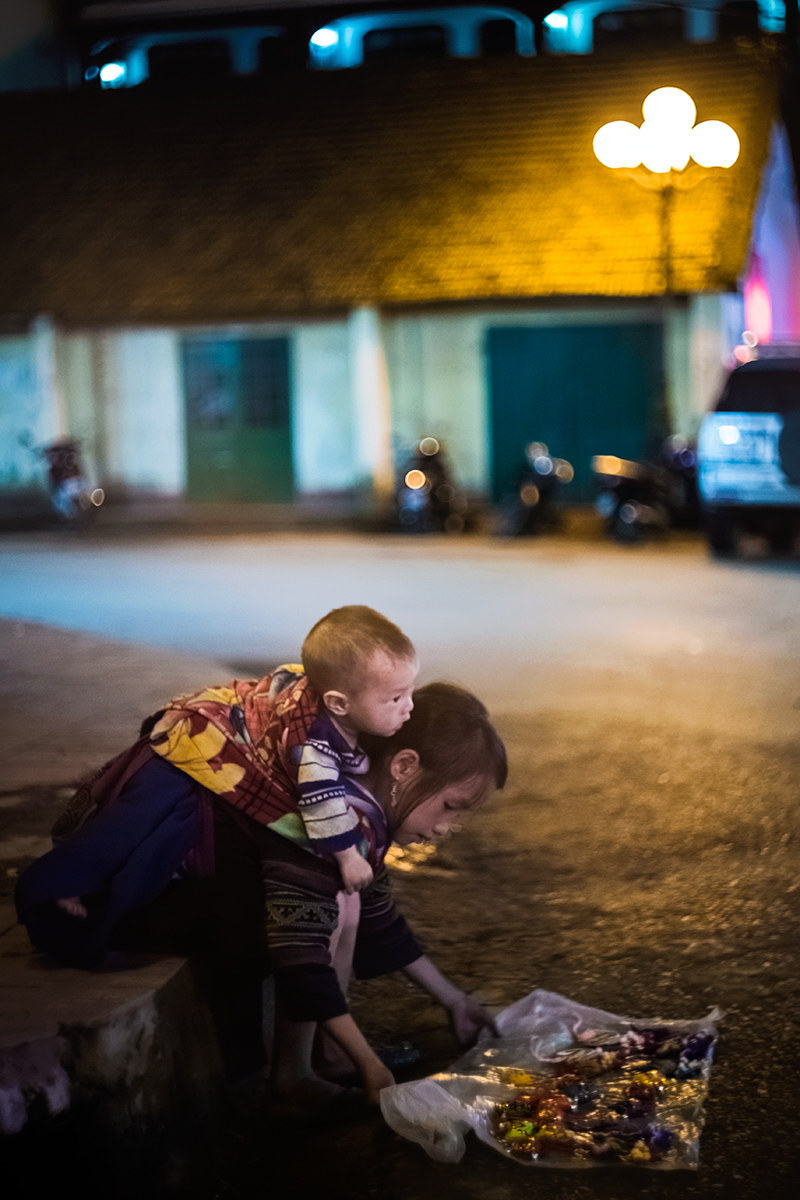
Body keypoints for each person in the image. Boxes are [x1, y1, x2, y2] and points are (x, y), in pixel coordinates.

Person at [15, 679, 507, 1116]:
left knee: (347, 900)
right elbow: (302, 956)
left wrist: (453, 999)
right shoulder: (320, 814)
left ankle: (324, 1058)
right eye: (450, 807)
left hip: (209, 895)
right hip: (142, 902)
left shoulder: (347, 794)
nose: (447, 828)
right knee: (330, 906)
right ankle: (293, 1079)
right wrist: (371, 1065)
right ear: (403, 765)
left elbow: (377, 910)